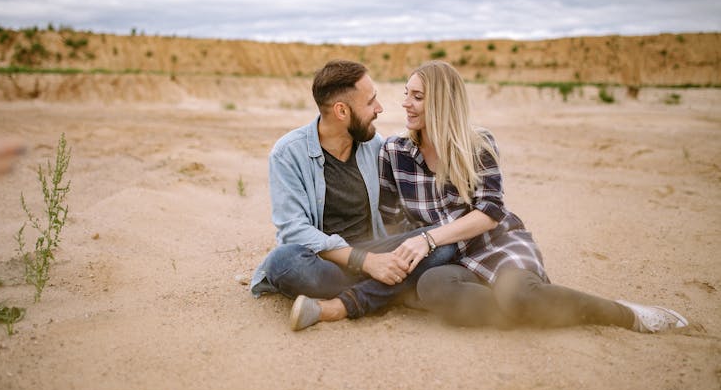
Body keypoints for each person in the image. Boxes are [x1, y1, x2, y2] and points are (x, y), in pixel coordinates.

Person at [370, 60, 688, 333]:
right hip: (448, 260)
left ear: (440, 102)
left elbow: (490, 212)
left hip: (494, 243)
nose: (406, 103)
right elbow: (389, 220)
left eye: (417, 97)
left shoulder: (477, 144)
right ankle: (528, 309)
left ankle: (626, 314)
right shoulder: (394, 151)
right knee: (433, 287)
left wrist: (428, 240)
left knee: (520, 296)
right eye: (406, 94)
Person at [250, 60, 455, 330]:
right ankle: (394, 288)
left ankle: (350, 301)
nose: (379, 109)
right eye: (370, 102)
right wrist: (367, 263)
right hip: (324, 261)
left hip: (377, 250)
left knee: (440, 242)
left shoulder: (376, 145)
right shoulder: (288, 153)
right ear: (342, 111)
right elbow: (293, 231)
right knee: (284, 262)